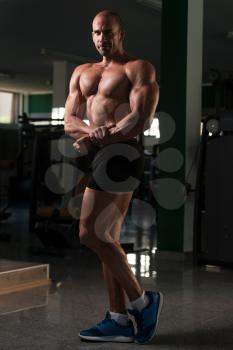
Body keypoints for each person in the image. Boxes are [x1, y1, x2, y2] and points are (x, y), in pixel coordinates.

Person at [64, 10, 162, 344]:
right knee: (108, 237)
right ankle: (119, 319)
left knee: (89, 233)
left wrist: (105, 135)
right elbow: (69, 120)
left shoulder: (138, 68)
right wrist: (94, 134)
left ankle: (142, 302)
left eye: (108, 32)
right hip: (97, 153)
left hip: (123, 154)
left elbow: (140, 118)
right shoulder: (82, 72)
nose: (101, 38)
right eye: (96, 33)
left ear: (121, 33)